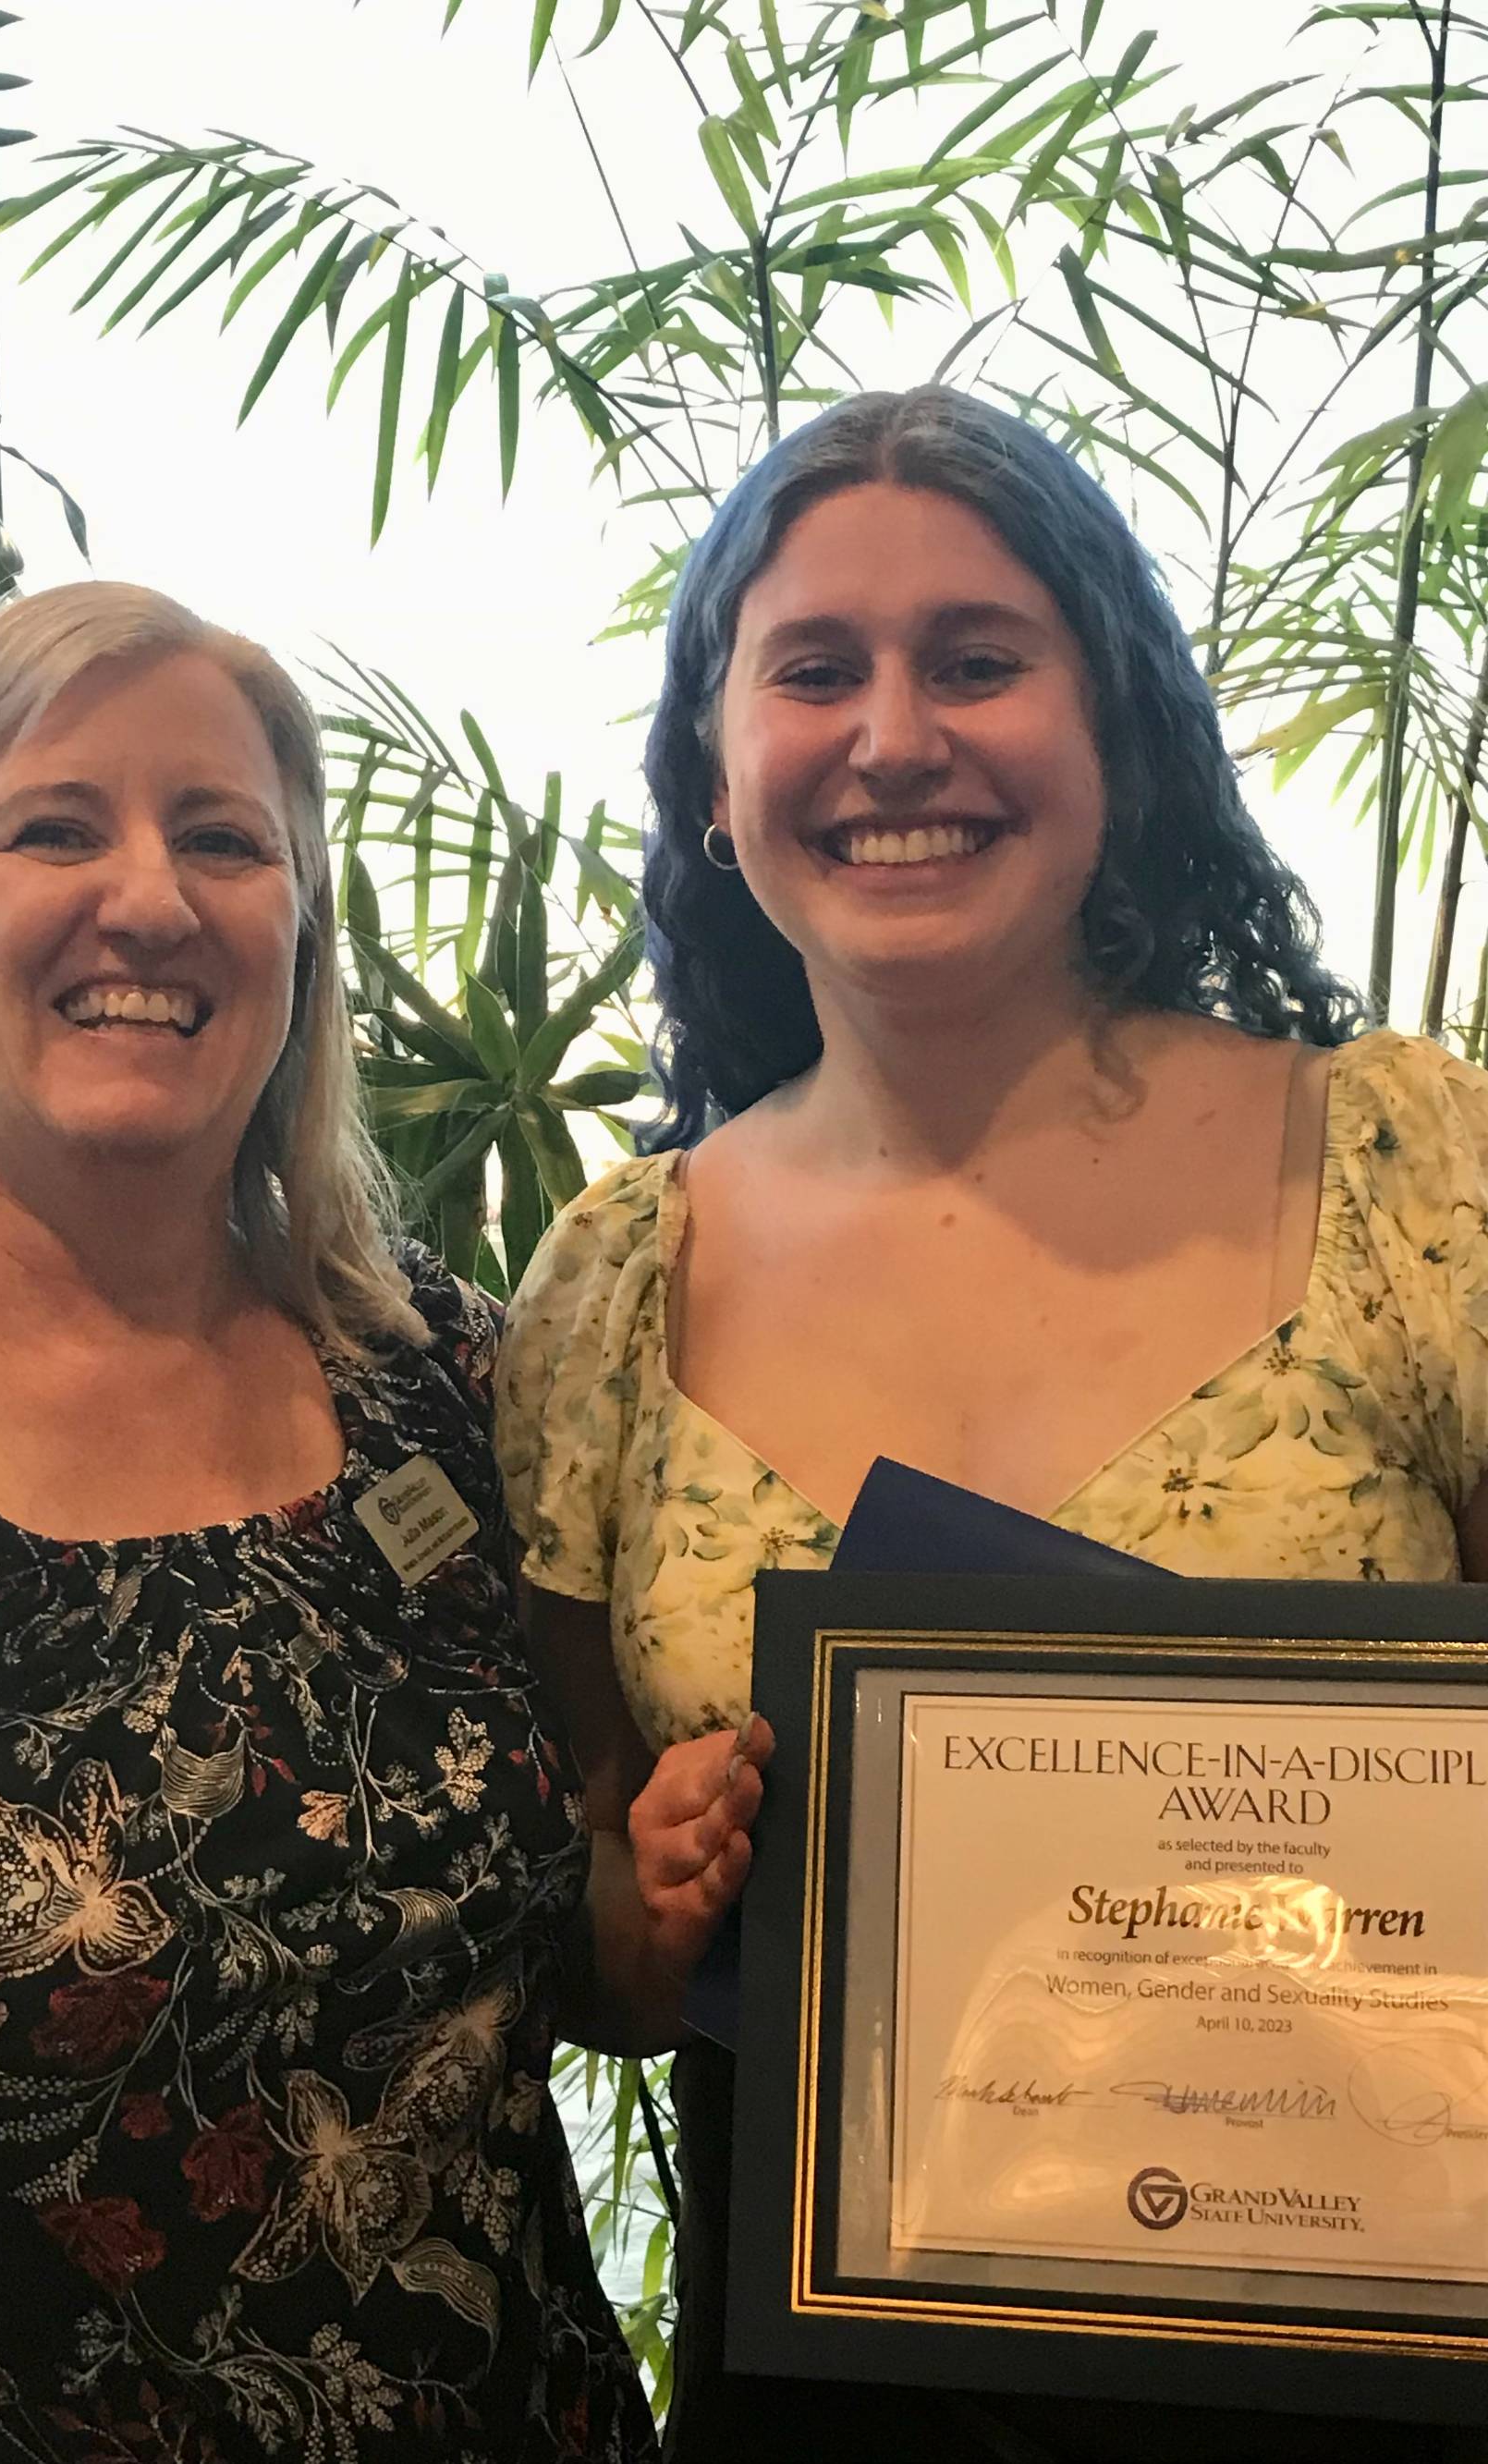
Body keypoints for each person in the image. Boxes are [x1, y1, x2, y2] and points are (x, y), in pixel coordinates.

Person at [497, 387, 1488, 2464]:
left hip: (1369, 2385)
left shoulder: (1410, 1173)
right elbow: (591, 1933)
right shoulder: (613, 1285)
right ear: (713, 777)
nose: (892, 739)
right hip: (820, 2419)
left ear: (1118, 736)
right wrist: (641, 1901)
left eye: (974, 659)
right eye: (813, 671)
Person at [0, 582, 660, 2464]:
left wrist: (664, 1889)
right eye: (53, 828)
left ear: (297, 943)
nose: (153, 899)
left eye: (223, 841)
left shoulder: (444, 1380)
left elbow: (577, 1957)